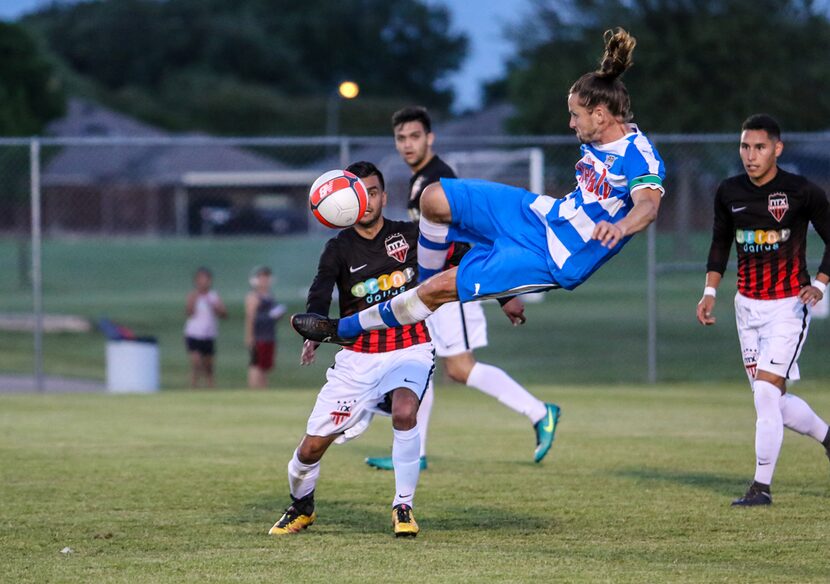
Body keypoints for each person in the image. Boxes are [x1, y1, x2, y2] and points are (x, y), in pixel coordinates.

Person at [292, 30, 665, 372]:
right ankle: (423, 283)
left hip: (555, 257)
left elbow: (647, 206)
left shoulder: (639, 155)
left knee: (434, 292)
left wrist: (620, 226)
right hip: (541, 214)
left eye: (575, 115)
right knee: (433, 198)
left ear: (600, 115)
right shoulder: (599, 139)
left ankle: (343, 328)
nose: (571, 124)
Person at [364, 106, 559, 471]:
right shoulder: (420, 180)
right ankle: (412, 452)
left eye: (415, 137)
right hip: (433, 291)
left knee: (461, 368)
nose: (408, 144)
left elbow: (474, 236)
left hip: (456, 288)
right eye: (401, 138)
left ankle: (539, 412)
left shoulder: (440, 178)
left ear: (430, 138)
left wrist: (505, 295)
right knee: (419, 364)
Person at [269, 161, 433, 538]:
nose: (368, 200)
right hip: (357, 358)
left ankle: (402, 506)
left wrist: (506, 297)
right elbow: (321, 289)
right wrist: (314, 326)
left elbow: (460, 256)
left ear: (383, 196)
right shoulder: (339, 248)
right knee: (309, 451)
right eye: (360, 192)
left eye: (373, 192)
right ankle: (302, 506)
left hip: (410, 346)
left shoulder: (409, 234)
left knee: (406, 412)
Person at [696, 114, 830, 506]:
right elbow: (721, 243)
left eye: (759, 147)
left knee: (766, 397)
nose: (750, 155)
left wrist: (819, 284)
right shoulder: (729, 191)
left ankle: (761, 488)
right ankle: (827, 437)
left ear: (777, 149)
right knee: (770, 397)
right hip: (746, 309)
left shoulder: (801, 191)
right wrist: (709, 292)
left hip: (788, 307)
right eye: (744, 146)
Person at [184, 267, 227, 388]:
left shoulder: (214, 296)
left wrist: (215, 307)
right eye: (200, 279)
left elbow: (224, 314)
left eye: (206, 279)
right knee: (196, 363)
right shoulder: (193, 295)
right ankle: (193, 387)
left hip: (209, 334)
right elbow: (189, 312)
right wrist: (195, 300)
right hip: (193, 334)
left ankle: (211, 388)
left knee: (209, 367)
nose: (203, 282)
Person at [245, 266, 286, 388]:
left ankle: (262, 387)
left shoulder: (270, 296)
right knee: (256, 362)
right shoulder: (253, 296)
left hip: (269, 334)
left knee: (264, 365)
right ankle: (254, 387)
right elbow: (250, 317)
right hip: (259, 335)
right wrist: (249, 336)